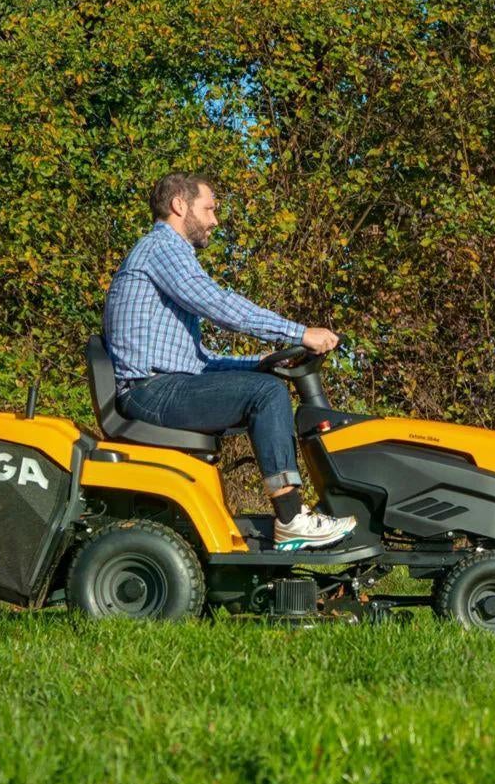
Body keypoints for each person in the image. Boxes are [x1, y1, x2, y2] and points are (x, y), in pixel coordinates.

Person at [103, 172, 357, 551]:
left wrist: (256, 362)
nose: (214, 221)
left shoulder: (164, 255)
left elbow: (198, 362)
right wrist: (299, 333)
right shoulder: (162, 249)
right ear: (179, 205)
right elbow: (219, 305)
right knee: (267, 394)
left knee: (264, 381)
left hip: (163, 384)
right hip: (150, 390)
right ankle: (290, 518)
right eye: (209, 209)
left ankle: (295, 516)